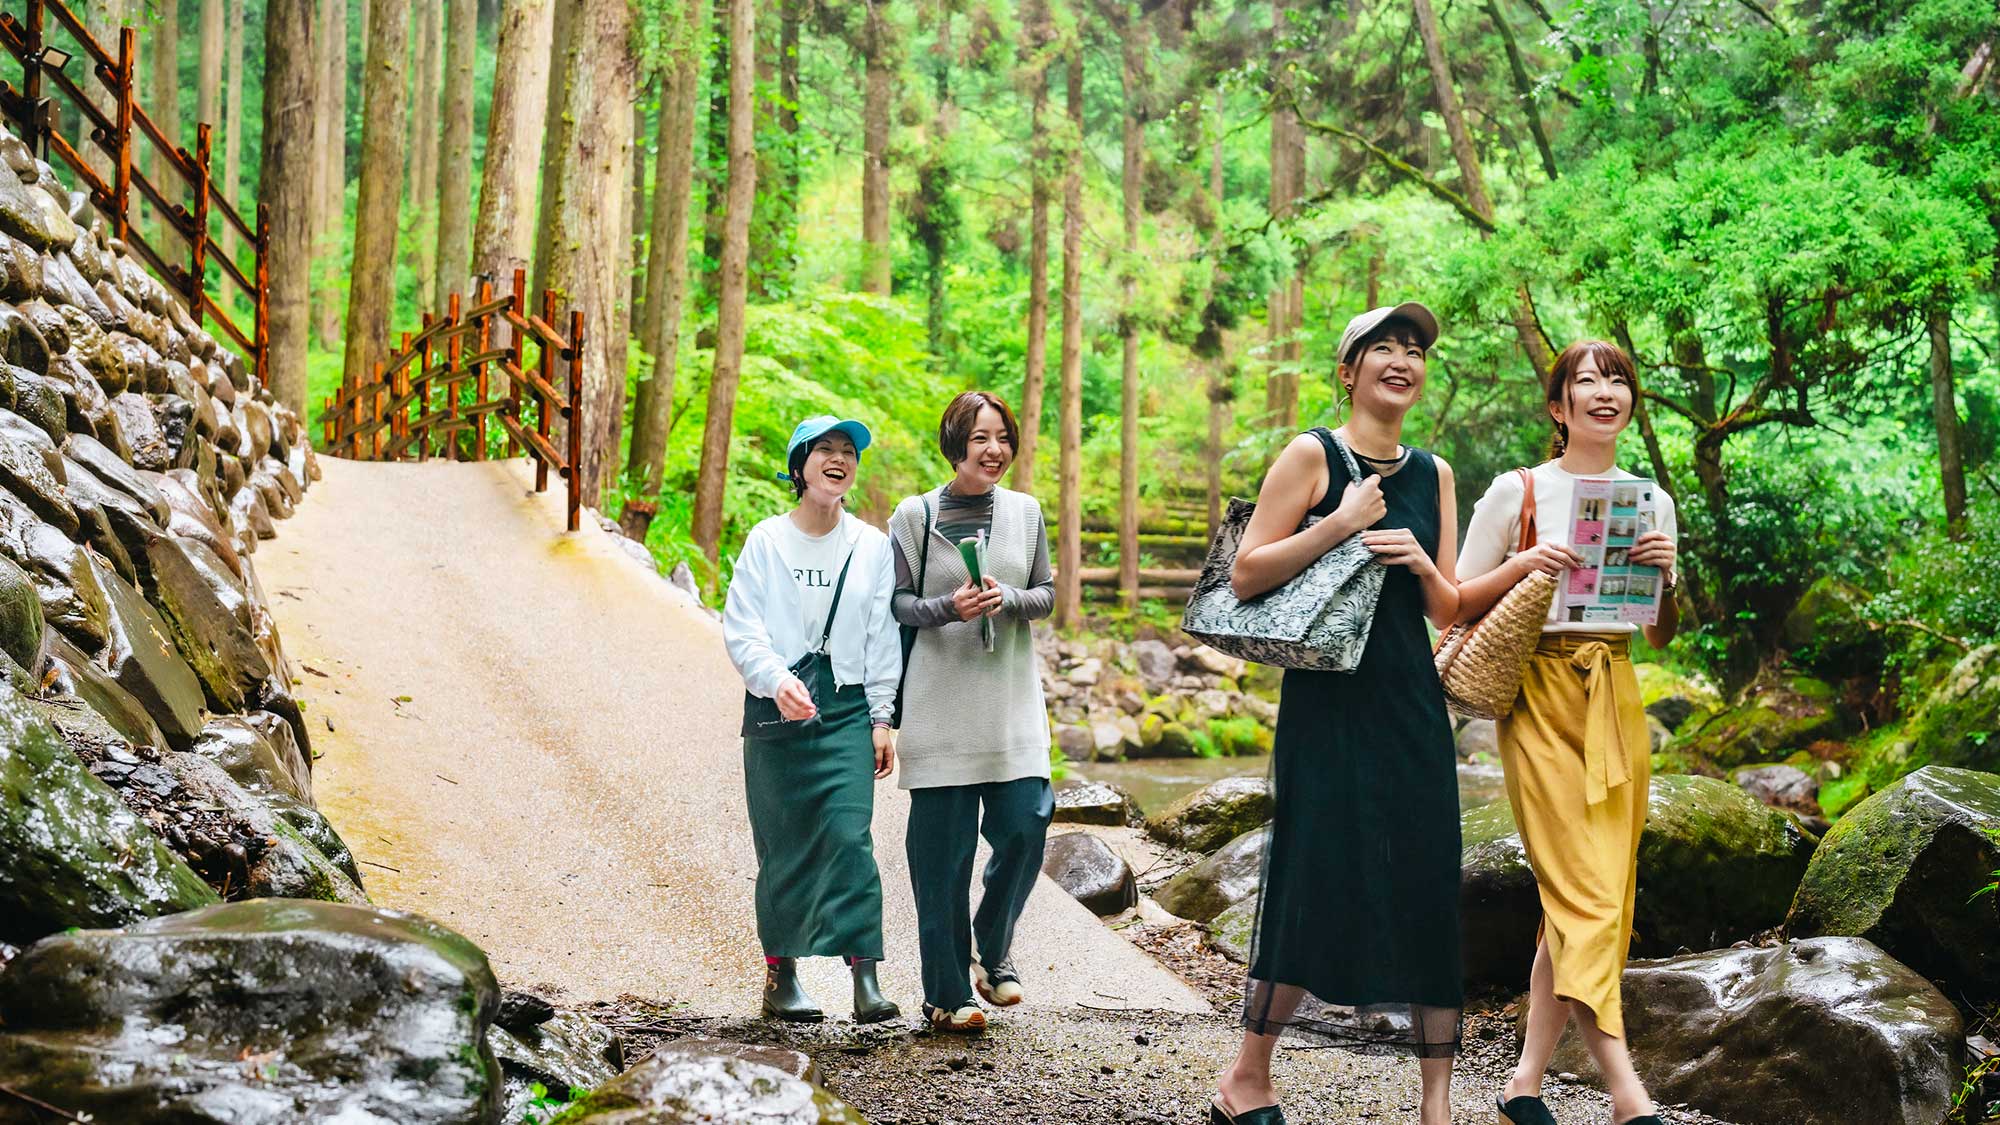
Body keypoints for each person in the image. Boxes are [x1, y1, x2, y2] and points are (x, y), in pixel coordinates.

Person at [1212, 304, 1464, 1125]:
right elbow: (1245, 575)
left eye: (1415, 350)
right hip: (1326, 704)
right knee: (1311, 873)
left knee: (1426, 876)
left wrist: (1423, 558)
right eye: (1383, 347)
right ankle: (1247, 1076)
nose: (1402, 360)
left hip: (1411, 703)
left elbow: (1448, 609)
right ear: (1348, 370)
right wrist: (1342, 525)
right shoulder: (1312, 454)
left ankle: (1436, 1105)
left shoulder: (1436, 473)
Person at [1455, 340, 1678, 1125]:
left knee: (1595, 897)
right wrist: (1526, 565)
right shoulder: (1516, 492)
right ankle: (1628, 1093)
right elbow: (1448, 601)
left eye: (1618, 380)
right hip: (1539, 696)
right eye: (1587, 381)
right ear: (1559, 407)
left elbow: (1662, 633)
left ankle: (1524, 1082)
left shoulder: (1650, 500)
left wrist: (1668, 577)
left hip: (1615, 695)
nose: (1605, 391)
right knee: (1585, 896)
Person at [722, 415, 903, 1025]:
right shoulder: (766, 541)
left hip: (847, 709)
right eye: (824, 449)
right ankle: (783, 975)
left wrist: (882, 717)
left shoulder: (872, 546)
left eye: (848, 450)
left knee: (850, 838)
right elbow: (742, 628)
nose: (838, 458)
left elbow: (882, 636)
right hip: (776, 713)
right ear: (799, 466)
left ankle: (866, 977)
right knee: (784, 844)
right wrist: (776, 681)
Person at [888, 391, 1055, 1035]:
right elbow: (899, 603)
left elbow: (1044, 595)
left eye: (1004, 437)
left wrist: (1007, 597)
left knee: (1026, 824)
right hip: (939, 702)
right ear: (955, 443)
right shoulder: (915, 515)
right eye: (981, 437)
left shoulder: (1027, 513)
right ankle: (945, 994)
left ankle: (993, 940)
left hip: (1010, 701)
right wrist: (945, 610)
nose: (995, 449)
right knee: (942, 856)